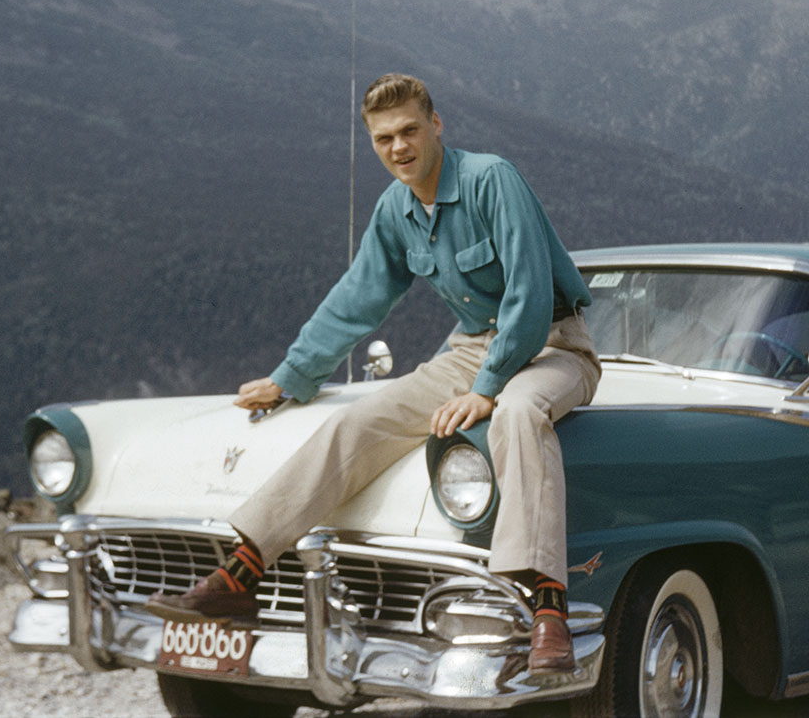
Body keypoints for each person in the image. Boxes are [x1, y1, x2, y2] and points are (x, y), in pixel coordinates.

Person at [147, 73, 600, 674]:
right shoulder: (397, 209)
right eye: (384, 138)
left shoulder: (492, 178)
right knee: (359, 421)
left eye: (410, 130)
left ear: (436, 126)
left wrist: (488, 390)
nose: (399, 147)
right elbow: (358, 297)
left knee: (517, 412)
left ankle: (547, 609)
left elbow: (530, 291)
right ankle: (241, 572)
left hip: (552, 344)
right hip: (470, 348)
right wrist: (292, 375)